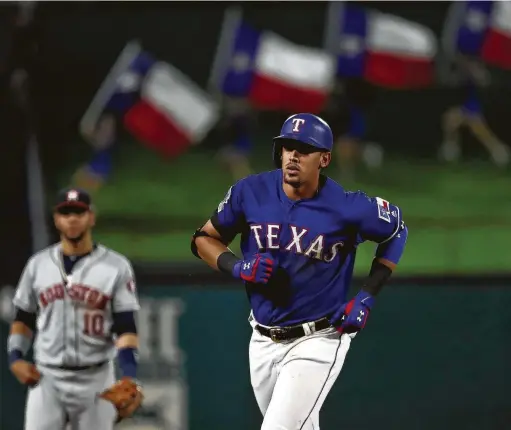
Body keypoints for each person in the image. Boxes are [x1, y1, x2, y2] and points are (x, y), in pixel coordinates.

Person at [190, 113, 408, 430]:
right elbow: (203, 239)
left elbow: (396, 230)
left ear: (324, 159)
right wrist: (236, 266)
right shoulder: (250, 192)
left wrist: (366, 296)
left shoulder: (347, 206)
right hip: (262, 338)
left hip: (319, 337)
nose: (293, 156)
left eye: (304, 149)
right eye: (287, 147)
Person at [7, 188, 143, 429]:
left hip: (97, 379)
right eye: (66, 212)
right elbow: (24, 317)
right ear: (56, 219)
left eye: (78, 213)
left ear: (91, 217)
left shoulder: (116, 266)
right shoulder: (37, 265)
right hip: (47, 378)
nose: (72, 219)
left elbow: (125, 327)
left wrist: (129, 375)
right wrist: (15, 357)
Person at [439, 56, 509, 166]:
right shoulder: (464, 73)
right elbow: (454, 81)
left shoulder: (481, 71)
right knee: (450, 120)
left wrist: (476, 74)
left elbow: (484, 82)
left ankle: (499, 151)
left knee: (478, 129)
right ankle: (451, 150)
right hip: (468, 106)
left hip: (477, 106)